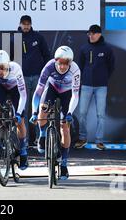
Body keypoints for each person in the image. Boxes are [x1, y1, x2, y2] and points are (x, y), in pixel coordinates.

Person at [30, 46, 81, 180]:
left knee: (65, 127)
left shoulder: (75, 69)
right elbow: (38, 91)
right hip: (52, 88)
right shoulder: (48, 67)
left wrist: (70, 112)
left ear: (70, 63)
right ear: (55, 60)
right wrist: (34, 112)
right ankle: (42, 136)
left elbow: (75, 95)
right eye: (60, 63)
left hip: (67, 92)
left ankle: (64, 164)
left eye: (66, 63)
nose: (63, 66)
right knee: (43, 108)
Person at [75, 25, 115, 150]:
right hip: (86, 85)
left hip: (101, 86)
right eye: (89, 34)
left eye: (93, 33)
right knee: (82, 113)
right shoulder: (84, 48)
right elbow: (79, 66)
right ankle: (82, 138)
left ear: (99, 34)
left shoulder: (107, 49)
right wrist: (84, 78)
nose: (90, 36)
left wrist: (103, 77)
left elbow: (111, 66)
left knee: (101, 114)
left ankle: (99, 141)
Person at [17, 15, 51, 146]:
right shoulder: (15, 38)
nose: (26, 26)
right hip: (22, 78)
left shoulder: (38, 37)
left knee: (38, 108)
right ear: (20, 24)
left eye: (28, 24)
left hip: (37, 77)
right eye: (23, 24)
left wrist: (44, 73)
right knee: (23, 109)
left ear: (31, 24)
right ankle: (24, 139)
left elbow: (47, 55)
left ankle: (39, 138)